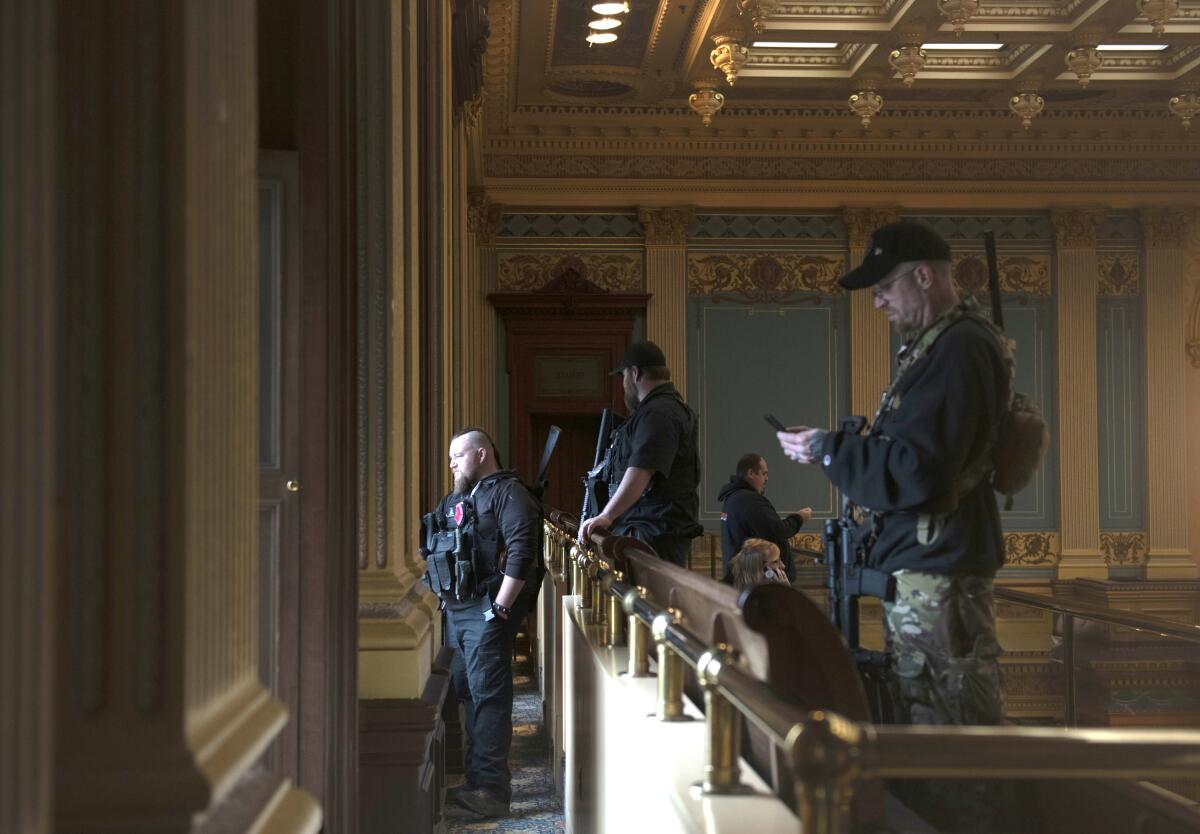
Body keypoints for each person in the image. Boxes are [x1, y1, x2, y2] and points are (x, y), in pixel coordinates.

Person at [775, 220, 1010, 829]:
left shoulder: (958, 349)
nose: (877, 303)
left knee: (953, 751)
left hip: (943, 578)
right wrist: (836, 446)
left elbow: (917, 471)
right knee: (927, 738)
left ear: (923, 276)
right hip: (927, 575)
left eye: (883, 288)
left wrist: (830, 450)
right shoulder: (938, 346)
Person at [433, 427, 541, 818]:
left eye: (457, 456)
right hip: (458, 612)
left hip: (486, 612)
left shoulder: (509, 494)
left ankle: (492, 792)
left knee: (489, 699)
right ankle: (476, 781)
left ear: (481, 454)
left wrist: (499, 609)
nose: (451, 464)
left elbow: (521, 552)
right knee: (467, 694)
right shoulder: (460, 497)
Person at [578, 340, 702, 566]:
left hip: (652, 535)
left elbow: (641, 470)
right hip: (648, 532)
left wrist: (607, 516)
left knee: (646, 601)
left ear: (635, 374)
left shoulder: (659, 413)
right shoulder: (657, 411)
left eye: (623, 376)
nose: (623, 384)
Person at [718, 452, 812, 581]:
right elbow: (778, 531)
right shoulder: (750, 501)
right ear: (751, 473)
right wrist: (799, 518)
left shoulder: (732, 499)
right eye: (764, 473)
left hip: (741, 577)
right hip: (755, 580)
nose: (766, 478)